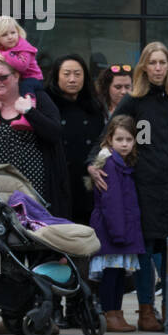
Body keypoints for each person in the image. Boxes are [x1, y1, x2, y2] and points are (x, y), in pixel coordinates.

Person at [96, 43, 168, 333]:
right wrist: (94, 164)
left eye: (162, 62)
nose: (158, 68)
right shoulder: (133, 102)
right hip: (144, 190)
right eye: (153, 63)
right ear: (144, 68)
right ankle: (146, 311)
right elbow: (108, 137)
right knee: (145, 252)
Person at [0, 59, 70, 335]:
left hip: (35, 196)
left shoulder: (37, 99)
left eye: (3, 77)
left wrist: (29, 113)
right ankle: (10, 314)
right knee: (3, 253)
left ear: (17, 76)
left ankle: (45, 313)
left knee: (39, 251)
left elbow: (56, 133)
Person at [89, 116, 145, 333]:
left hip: (122, 230)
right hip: (112, 231)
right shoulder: (110, 164)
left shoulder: (123, 164)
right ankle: (109, 312)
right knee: (111, 275)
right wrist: (118, 233)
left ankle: (116, 313)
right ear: (110, 139)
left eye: (129, 139)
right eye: (119, 139)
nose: (124, 144)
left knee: (119, 274)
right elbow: (111, 203)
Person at [46, 53, 107, 225]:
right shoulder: (47, 105)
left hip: (87, 182)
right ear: (56, 76)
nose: (72, 79)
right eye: (66, 74)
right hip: (57, 183)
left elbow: (100, 143)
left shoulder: (94, 107)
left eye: (77, 74)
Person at [0, 16, 44, 130]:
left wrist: (6, 55)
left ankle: (27, 114)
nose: (10, 37)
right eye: (4, 35)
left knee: (26, 87)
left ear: (18, 32)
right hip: (13, 80)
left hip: (31, 78)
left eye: (13, 32)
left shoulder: (24, 47)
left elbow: (22, 66)